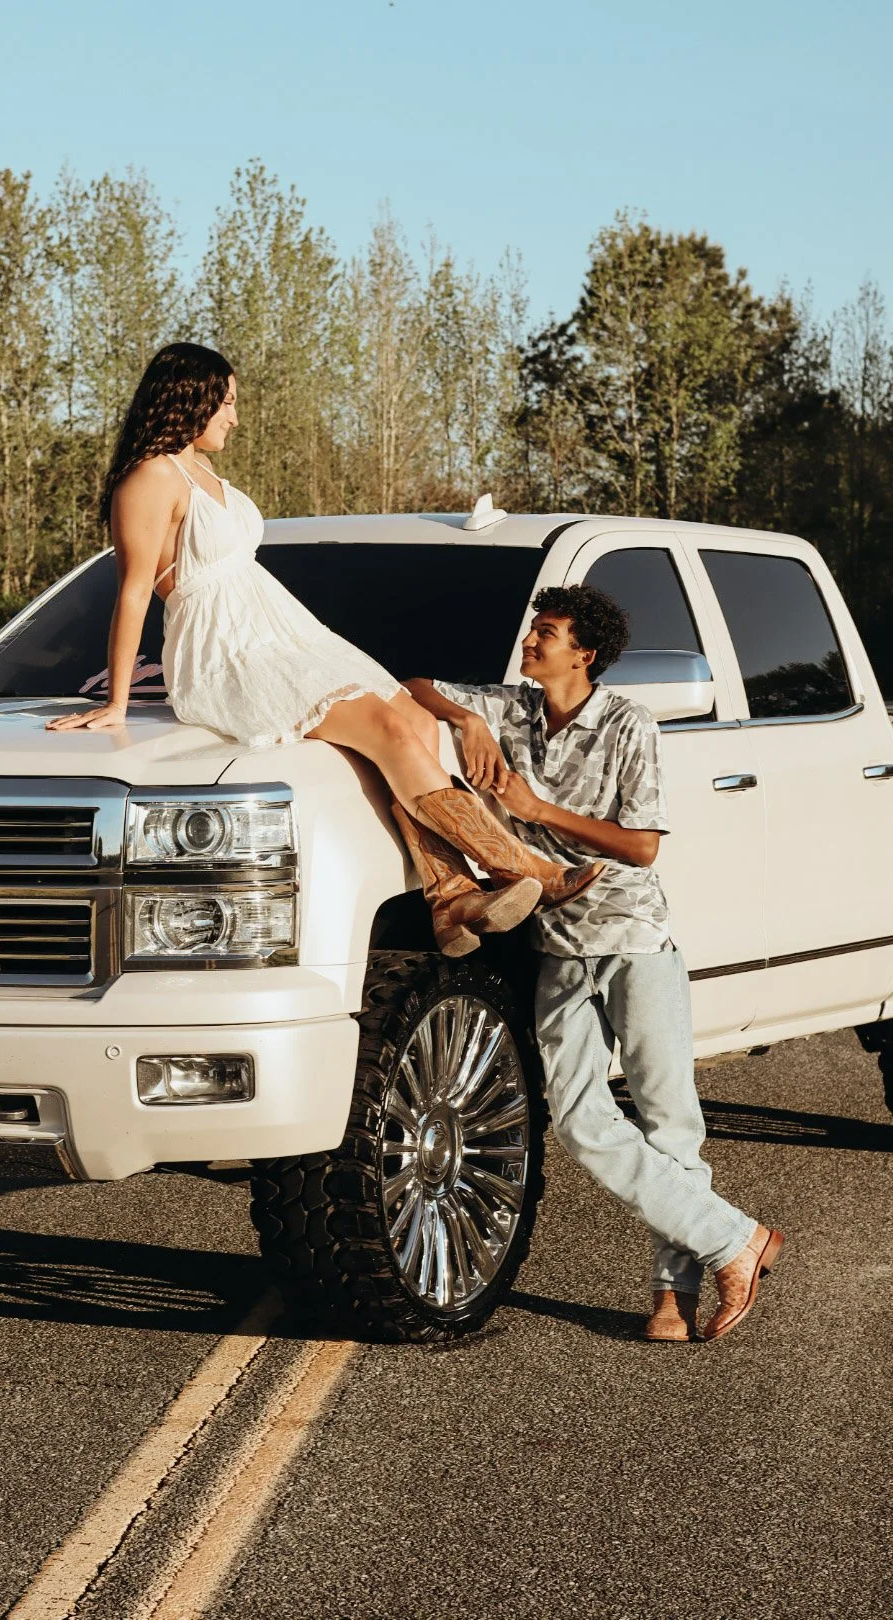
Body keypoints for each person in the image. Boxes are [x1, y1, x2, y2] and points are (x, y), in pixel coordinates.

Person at [47, 341, 604, 952]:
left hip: (279, 631)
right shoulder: (150, 477)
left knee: (414, 718)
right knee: (389, 734)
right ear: (192, 400)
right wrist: (118, 702)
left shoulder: (204, 474)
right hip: (227, 650)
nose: (235, 417)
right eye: (226, 403)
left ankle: (448, 899)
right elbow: (131, 592)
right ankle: (528, 870)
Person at [405, 584, 784, 1343]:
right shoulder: (510, 707)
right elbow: (408, 685)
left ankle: (671, 1298)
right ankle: (738, 1238)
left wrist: (537, 810)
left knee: (671, 1126)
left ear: (585, 653)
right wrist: (464, 717)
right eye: (533, 629)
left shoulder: (628, 723)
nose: (530, 641)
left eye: (546, 633)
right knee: (580, 1122)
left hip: (635, 941)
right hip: (556, 944)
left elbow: (642, 844)